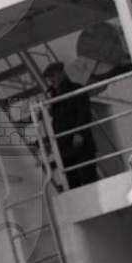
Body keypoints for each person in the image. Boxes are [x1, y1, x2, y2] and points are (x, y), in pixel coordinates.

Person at [42, 59, 99, 187]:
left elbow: (84, 113)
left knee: (88, 180)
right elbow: (56, 122)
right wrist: (51, 142)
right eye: (49, 77)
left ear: (62, 73)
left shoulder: (76, 89)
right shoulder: (53, 97)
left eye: (53, 75)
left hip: (80, 145)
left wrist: (80, 133)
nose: (51, 80)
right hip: (64, 148)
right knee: (73, 184)